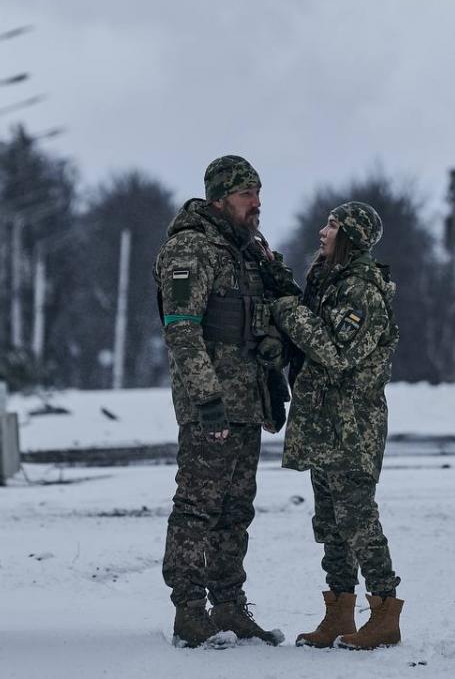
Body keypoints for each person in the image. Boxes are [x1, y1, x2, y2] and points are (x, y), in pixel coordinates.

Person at [154, 155, 290, 648]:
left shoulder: (245, 251)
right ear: (219, 198)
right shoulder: (191, 248)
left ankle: (229, 606)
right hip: (210, 403)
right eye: (245, 194)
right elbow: (182, 331)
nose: (256, 203)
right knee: (198, 505)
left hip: (248, 399)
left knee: (236, 508)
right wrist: (206, 399)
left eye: (257, 193)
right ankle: (189, 611)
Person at [270, 201, 404, 650]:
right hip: (325, 422)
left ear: (350, 235)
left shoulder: (363, 290)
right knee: (330, 522)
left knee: (358, 518)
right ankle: (339, 613)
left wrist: (287, 308)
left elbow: (334, 351)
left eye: (332, 225)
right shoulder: (329, 282)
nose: (323, 231)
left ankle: (384, 613)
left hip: (351, 425)